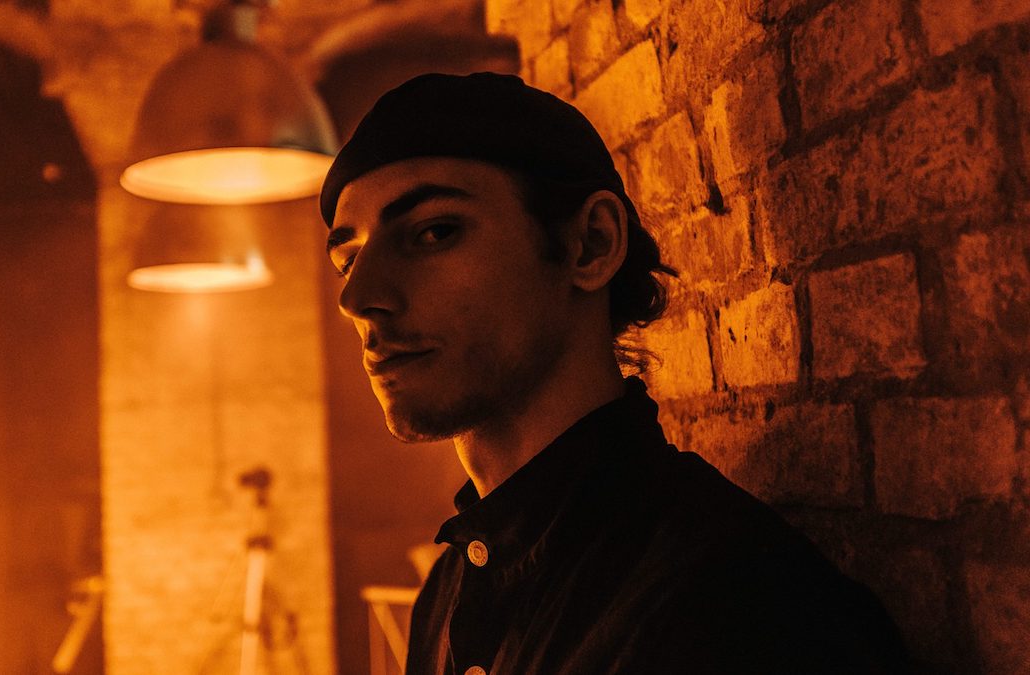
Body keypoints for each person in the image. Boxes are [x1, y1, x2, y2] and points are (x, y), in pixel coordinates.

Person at [320, 72, 910, 674]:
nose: (356, 298)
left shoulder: (738, 605)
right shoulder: (447, 591)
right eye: (348, 259)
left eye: (433, 232)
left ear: (591, 244)